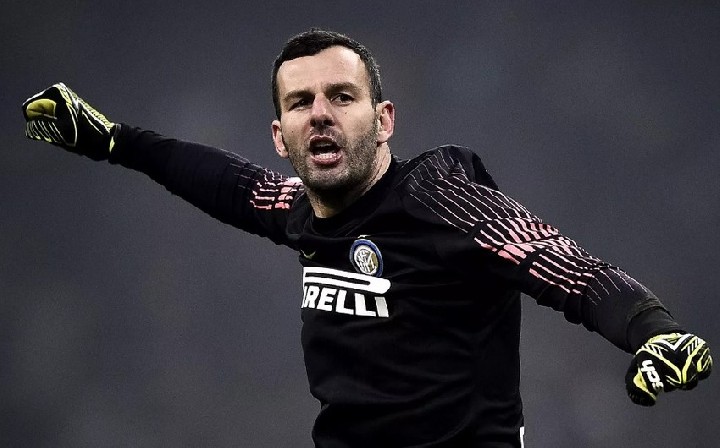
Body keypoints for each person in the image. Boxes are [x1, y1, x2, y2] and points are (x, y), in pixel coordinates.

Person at [22, 29, 712, 448]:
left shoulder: (443, 201)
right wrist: (114, 142)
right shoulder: (304, 212)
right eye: (301, 103)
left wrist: (653, 330)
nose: (320, 114)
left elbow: (559, 263)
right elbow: (225, 182)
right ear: (282, 136)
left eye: (341, 97)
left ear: (383, 120)